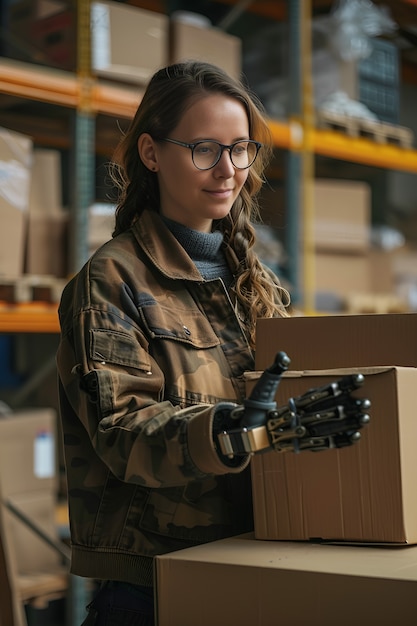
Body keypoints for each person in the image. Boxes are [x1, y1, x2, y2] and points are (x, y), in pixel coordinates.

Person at [56, 61, 368, 625]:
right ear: (151, 153)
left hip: (253, 560)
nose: (228, 170)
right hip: (153, 586)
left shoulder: (256, 280)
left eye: (241, 149)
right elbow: (120, 436)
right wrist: (229, 430)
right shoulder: (112, 281)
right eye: (204, 149)